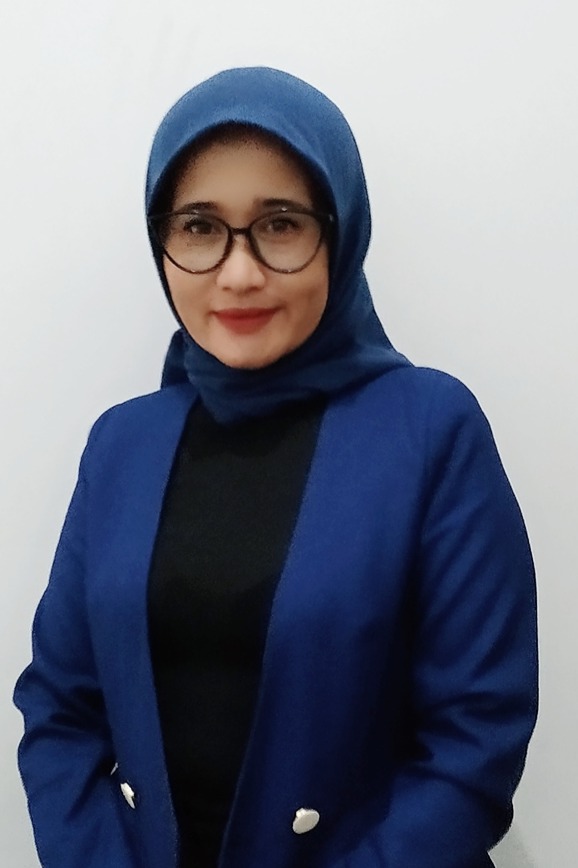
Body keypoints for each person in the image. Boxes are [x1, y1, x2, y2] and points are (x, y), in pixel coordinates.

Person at [14, 67, 538, 868]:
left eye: (281, 224)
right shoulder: (122, 444)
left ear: (341, 231)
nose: (239, 272)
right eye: (200, 226)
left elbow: (475, 740)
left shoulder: (430, 430)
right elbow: (59, 710)